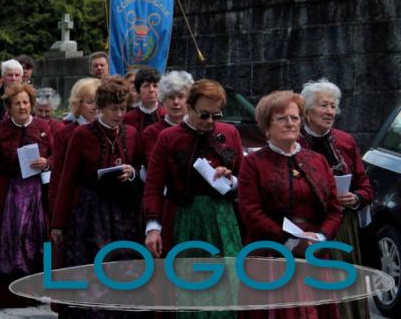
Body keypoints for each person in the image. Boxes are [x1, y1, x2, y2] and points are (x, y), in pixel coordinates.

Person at [143, 79, 243, 317]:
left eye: (216, 115)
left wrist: (230, 179)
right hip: (183, 219)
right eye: (204, 114)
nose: (210, 122)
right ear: (189, 106)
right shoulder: (168, 137)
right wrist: (153, 228)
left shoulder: (230, 133)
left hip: (223, 220)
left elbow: (245, 178)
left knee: (228, 286)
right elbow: (153, 186)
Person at [237, 90, 341, 319]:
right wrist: (289, 240)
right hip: (271, 254)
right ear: (267, 125)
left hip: (314, 253)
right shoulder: (253, 163)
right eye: (282, 118)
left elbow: (334, 208)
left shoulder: (317, 160)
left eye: (295, 118)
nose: (290, 123)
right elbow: (251, 211)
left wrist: (321, 237)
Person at [50, 77, 142, 317]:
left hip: (124, 211)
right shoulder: (82, 134)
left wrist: (131, 172)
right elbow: (67, 180)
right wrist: (58, 223)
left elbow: (141, 169)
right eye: (114, 109)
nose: (120, 114)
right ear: (101, 107)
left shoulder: (131, 133)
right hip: (91, 211)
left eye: (123, 108)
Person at [298, 79, 373, 319]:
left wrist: (357, 197)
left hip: (343, 227)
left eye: (333, 106)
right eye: (323, 106)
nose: (330, 112)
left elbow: (366, 186)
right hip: (309, 227)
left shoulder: (345, 141)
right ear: (307, 111)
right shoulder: (293, 142)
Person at [0, 83, 51, 307]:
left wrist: (47, 163)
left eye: (26, 102)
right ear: (9, 107)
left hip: (37, 194)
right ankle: (7, 293)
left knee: (37, 240)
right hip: (7, 192)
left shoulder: (44, 127)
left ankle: (36, 289)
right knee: (10, 241)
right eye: (17, 103)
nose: (22, 107)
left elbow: (58, 156)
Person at [47, 78, 100, 219]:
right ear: (78, 103)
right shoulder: (64, 133)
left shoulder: (110, 130)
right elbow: (57, 174)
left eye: (98, 102)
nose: (95, 107)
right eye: (90, 102)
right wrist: (56, 214)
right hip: (75, 202)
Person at [141, 71, 193, 164]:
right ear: (163, 100)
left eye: (181, 97)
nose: (176, 102)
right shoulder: (151, 132)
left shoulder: (197, 129)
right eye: (171, 97)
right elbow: (154, 165)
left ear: (189, 101)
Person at [122, 67, 165, 133]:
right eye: (146, 86)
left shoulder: (166, 115)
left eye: (155, 86)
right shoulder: (128, 118)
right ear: (138, 90)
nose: (151, 90)